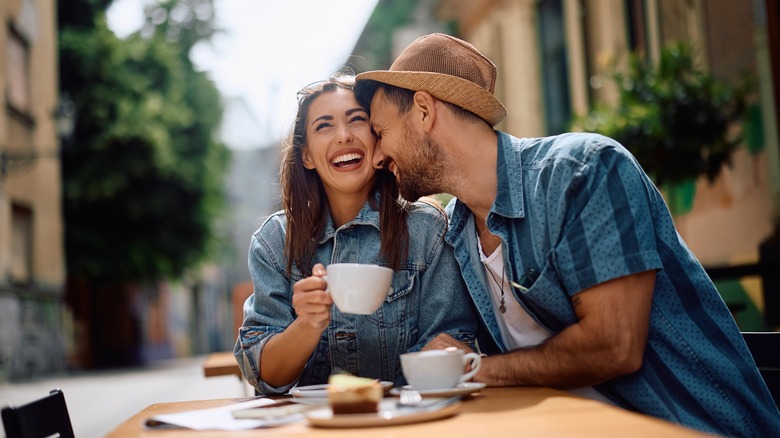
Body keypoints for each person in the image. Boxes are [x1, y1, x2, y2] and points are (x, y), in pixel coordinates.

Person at [355, 33, 780, 436]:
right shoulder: (458, 232)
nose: (374, 155)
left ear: (425, 112)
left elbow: (614, 346)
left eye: (380, 132)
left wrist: (477, 368)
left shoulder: (584, 171)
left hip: (691, 427)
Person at [233, 71, 478, 395]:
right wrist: (307, 323)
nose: (344, 136)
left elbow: (451, 344)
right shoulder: (275, 241)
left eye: (357, 120)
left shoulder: (427, 230)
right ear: (306, 155)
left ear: (378, 136)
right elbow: (263, 375)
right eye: (324, 126)